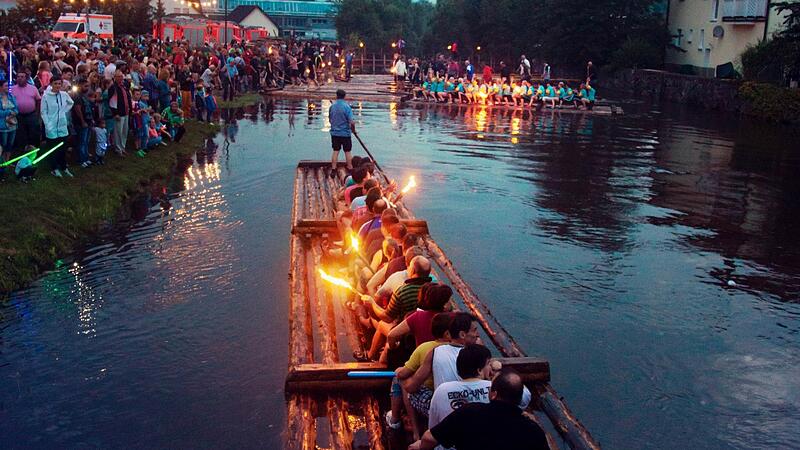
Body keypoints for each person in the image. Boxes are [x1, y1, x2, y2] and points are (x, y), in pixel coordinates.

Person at [409, 369, 550, 450]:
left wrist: (419, 446)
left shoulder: (470, 412)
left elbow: (429, 438)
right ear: (519, 400)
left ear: (494, 394)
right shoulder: (533, 431)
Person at [356, 256, 433, 362]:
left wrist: (372, 303)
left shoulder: (403, 291)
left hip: (407, 334)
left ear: (413, 270)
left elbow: (387, 317)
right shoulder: (433, 290)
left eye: (409, 266)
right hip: (429, 331)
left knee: (383, 324)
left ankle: (369, 356)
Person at [40, 76, 74, 178]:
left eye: (60, 83)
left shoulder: (64, 95)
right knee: (52, 148)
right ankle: (54, 168)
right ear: (51, 84)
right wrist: (48, 124)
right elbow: (43, 112)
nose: (58, 85)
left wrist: (63, 111)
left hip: (62, 126)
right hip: (51, 126)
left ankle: (63, 166)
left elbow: (71, 103)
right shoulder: (46, 96)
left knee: (62, 148)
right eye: (55, 83)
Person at [10, 71, 41, 151]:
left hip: (31, 114)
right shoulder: (12, 89)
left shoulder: (33, 88)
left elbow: (38, 100)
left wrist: (37, 113)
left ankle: (34, 149)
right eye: (18, 77)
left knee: (33, 132)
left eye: (22, 77)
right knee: (21, 134)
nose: (19, 78)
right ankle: (22, 150)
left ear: (26, 78)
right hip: (18, 115)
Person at [328, 89, 355, 173]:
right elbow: (351, 122)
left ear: (336, 96)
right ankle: (350, 168)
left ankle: (333, 168)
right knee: (347, 151)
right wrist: (353, 130)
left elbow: (330, 119)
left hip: (335, 133)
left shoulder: (332, 106)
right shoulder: (347, 107)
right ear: (344, 96)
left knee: (336, 150)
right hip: (345, 133)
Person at [72, 79, 95, 168]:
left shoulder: (84, 95)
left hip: (88, 121)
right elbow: (78, 110)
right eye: (85, 86)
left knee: (86, 141)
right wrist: (82, 121)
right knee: (81, 141)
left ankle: (85, 158)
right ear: (80, 86)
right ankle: (81, 160)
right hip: (81, 123)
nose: (87, 88)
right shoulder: (77, 96)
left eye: (88, 86)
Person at [108, 70, 132, 156]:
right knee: (118, 131)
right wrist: (115, 113)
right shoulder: (113, 88)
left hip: (126, 111)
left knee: (125, 131)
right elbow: (111, 102)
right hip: (119, 113)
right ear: (115, 78)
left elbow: (128, 98)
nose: (121, 78)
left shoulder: (124, 86)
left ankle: (123, 147)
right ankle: (118, 149)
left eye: (122, 76)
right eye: (119, 76)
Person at [0, 79, 19, 179]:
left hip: (12, 125)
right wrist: (9, 112)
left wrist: (13, 111)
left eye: (8, 86)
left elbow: (16, 108)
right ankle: (2, 162)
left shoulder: (11, 97)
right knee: (3, 144)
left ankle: (8, 161)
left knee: (10, 144)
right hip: (3, 127)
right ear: (1, 87)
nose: (8, 87)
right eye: (6, 86)